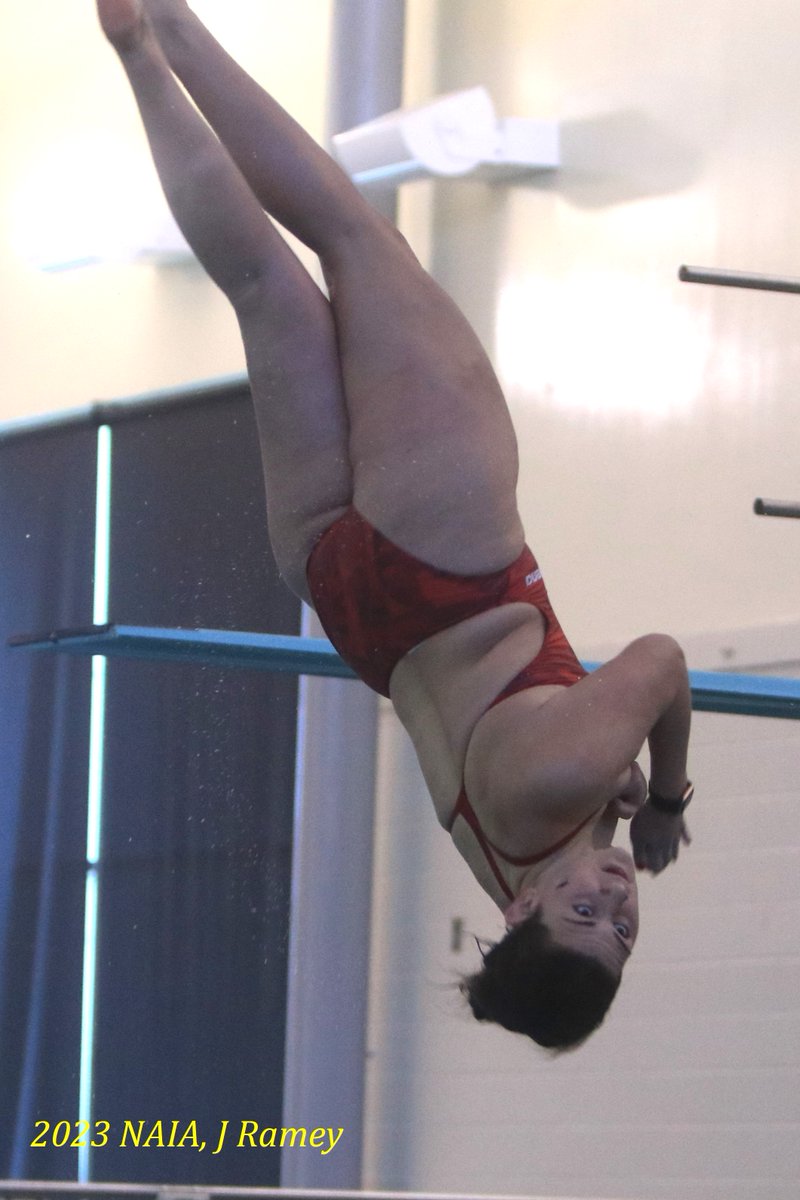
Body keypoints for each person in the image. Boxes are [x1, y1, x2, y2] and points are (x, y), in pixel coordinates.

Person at [97, 0, 694, 1051]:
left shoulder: (563, 785)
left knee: (347, 235)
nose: (613, 900)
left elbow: (660, 661)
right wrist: (616, 790)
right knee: (259, 288)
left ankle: (171, 27)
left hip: (451, 554)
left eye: (583, 915)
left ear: (517, 916)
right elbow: (555, 768)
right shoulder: (514, 850)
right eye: (622, 930)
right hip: (344, 593)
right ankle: (140, 54)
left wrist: (663, 799)